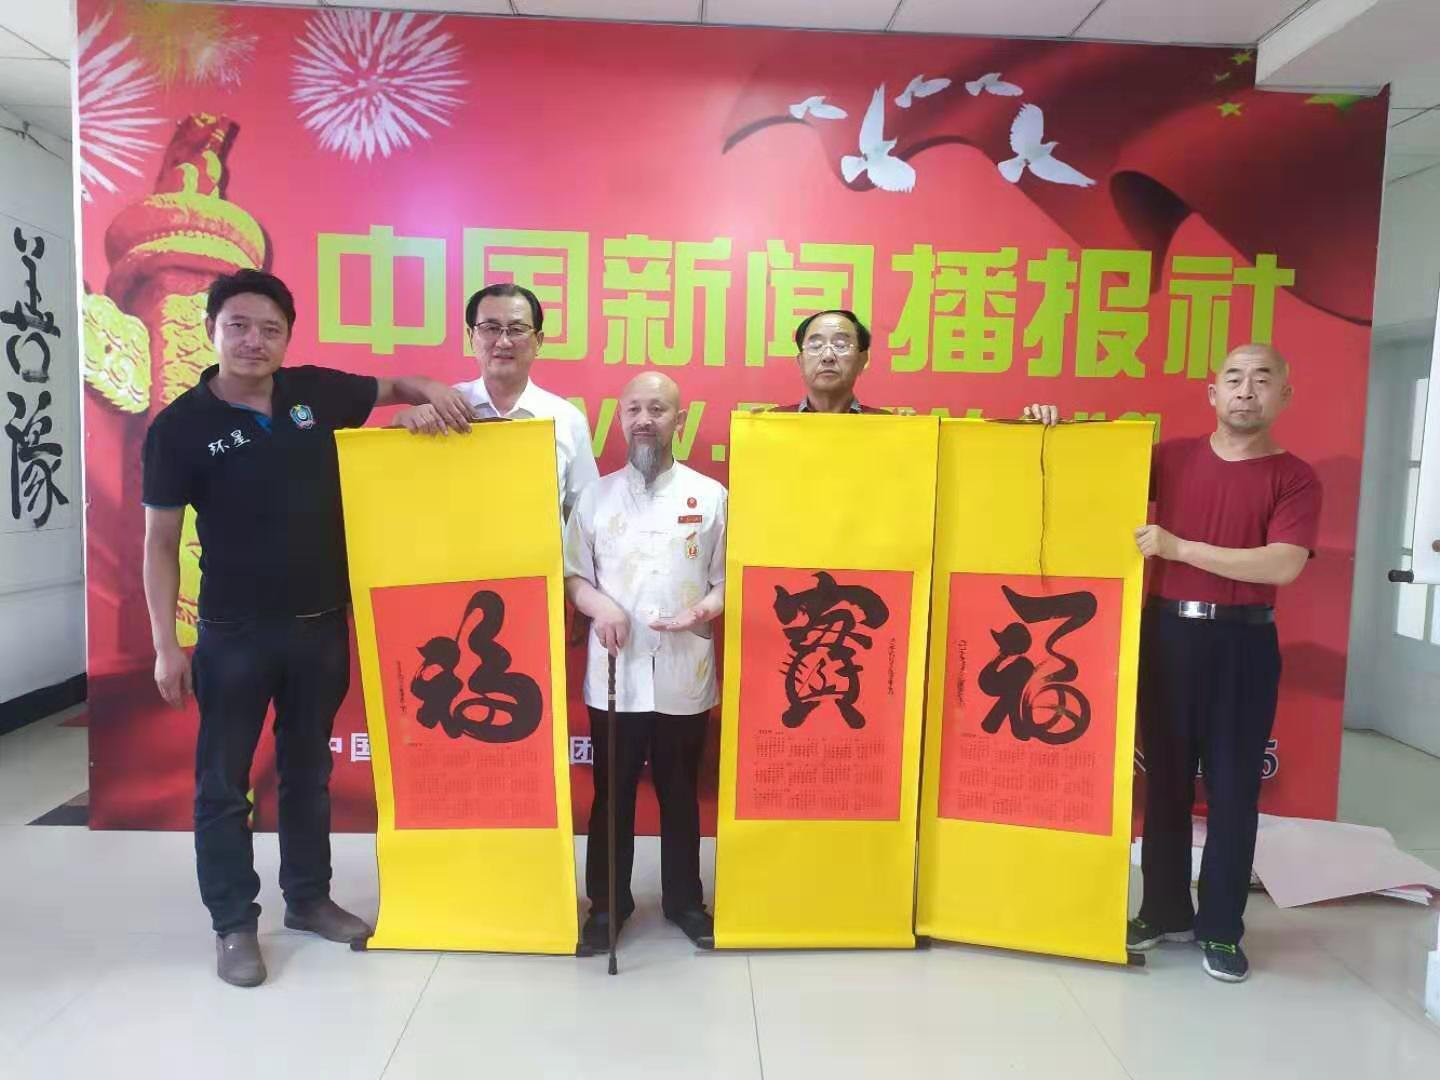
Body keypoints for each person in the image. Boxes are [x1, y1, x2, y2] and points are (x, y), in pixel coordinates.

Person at [141, 268, 472, 987]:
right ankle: (234, 922)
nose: (254, 341)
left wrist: (429, 392)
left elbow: (394, 386)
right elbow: (160, 544)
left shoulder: (313, 393)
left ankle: (309, 900)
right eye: (238, 326)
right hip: (233, 633)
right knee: (223, 784)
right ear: (211, 330)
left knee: (308, 772)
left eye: (270, 329)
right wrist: (167, 644)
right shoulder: (180, 428)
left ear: (288, 336)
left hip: (321, 627)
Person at [1128, 342, 1322, 983]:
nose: (1246, 389)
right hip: (1167, 635)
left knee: (1235, 790)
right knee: (1165, 782)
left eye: (1262, 378)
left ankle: (1219, 928)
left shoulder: (1295, 477)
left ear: (1283, 396)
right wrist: (1046, 423)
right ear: (1213, 393)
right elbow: (1091, 475)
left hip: (1244, 644)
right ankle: (1162, 911)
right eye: (1233, 378)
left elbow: (1282, 564)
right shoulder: (1170, 459)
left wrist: (1180, 548)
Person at [562, 372, 726, 951]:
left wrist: (702, 610)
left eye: (657, 410)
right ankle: (608, 905)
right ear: (620, 419)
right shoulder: (594, 497)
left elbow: (727, 579)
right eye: (633, 409)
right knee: (613, 793)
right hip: (616, 670)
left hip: (684, 668)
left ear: (680, 420)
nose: (644, 420)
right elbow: (572, 575)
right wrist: (599, 604)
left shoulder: (710, 496)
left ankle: (685, 901)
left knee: (680, 790)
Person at [391, 283, 598, 518]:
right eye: (490, 328)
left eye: (517, 329)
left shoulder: (567, 420)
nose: (503, 342)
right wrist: (400, 430)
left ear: (538, 341)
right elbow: (404, 493)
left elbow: (583, 513)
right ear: (471, 337)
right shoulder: (441, 410)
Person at [774, 308, 1060, 424]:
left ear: (862, 360)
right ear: (800, 361)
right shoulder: (770, 426)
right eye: (815, 345)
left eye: (840, 344)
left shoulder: (891, 428)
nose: (827, 355)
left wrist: (1028, 433)